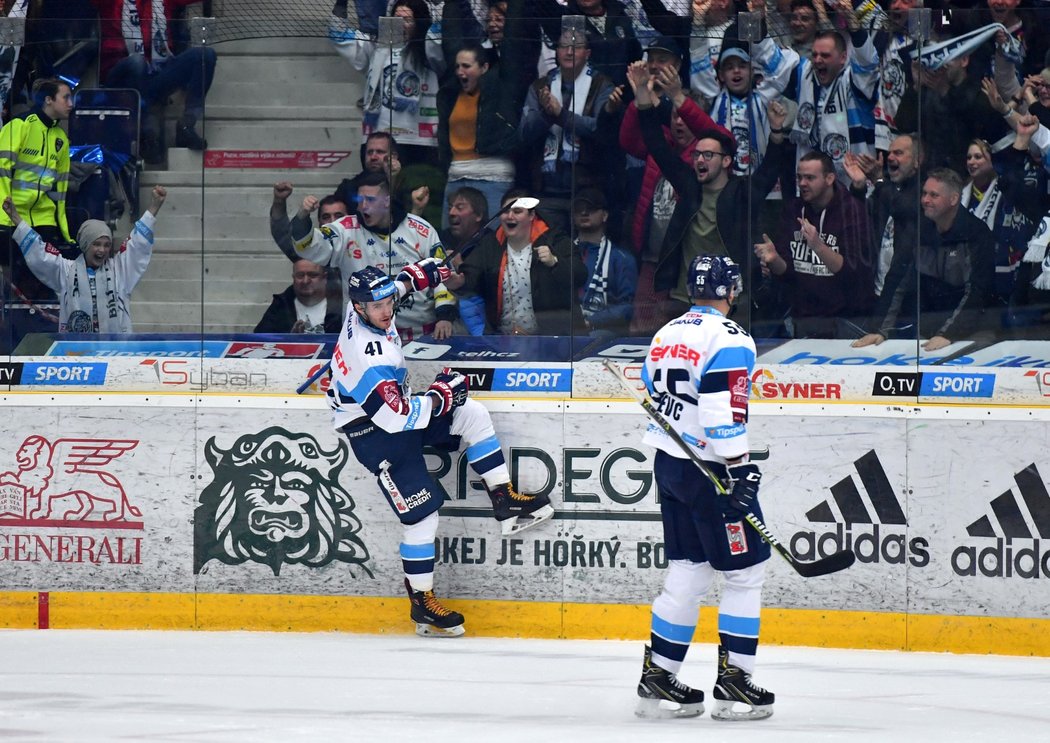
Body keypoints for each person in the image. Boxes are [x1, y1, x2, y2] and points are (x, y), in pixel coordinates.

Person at [329, 264, 553, 636]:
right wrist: (439, 396)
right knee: (422, 517)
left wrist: (421, 275)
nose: (387, 311)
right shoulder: (367, 357)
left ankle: (504, 499)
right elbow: (396, 418)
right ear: (358, 307)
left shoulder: (369, 308)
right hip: (374, 431)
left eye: (388, 302)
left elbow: (397, 288)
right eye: (378, 306)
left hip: (392, 412)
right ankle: (422, 603)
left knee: (471, 413)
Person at [634, 254, 773, 722]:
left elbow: (655, 391)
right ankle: (735, 684)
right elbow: (720, 411)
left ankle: (658, 676)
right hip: (711, 471)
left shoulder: (666, 332)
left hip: (670, 466)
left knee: (688, 569)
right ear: (731, 290)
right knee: (744, 573)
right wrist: (741, 469)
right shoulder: (731, 338)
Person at [292, 172, 455, 342]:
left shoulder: (421, 229)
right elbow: (308, 248)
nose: (362, 206)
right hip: (364, 335)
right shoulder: (344, 230)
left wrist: (445, 315)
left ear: (387, 201)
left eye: (369, 200)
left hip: (420, 335)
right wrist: (302, 217)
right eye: (359, 200)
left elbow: (442, 270)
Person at [853, 168, 997, 351]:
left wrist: (948, 334)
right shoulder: (919, 230)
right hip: (929, 327)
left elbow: (977, 290)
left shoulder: (977, 234)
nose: (925, 200)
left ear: (953, 199)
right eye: (924, 193)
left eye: (933, 195)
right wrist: (879, 329)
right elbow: (896, 279)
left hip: (974, 329)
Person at [2, 185, 167, 333]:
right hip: (76, 355)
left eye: (106, 245)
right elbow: (39, 251)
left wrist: (154, 207)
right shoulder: (66, 270)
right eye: (96, 244)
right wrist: (16, 217)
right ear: (85, 245)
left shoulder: (120, 269)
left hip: (116, 352)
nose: (102, 250)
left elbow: (137, 244)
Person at [754, 150, 874, 338]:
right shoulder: (793, 209)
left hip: (845, 322)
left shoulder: (852, 210)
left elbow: (853, 272)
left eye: (810, 178)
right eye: (799, 177)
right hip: (803, 319)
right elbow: (787, 272)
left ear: (829, 178)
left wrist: (818, 246)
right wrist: (774, 259)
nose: (802, 183)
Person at [92, 0, 218, 159]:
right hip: (121, 77)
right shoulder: (111, 3)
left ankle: (186, 126)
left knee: (205, 55)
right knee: (137, 62)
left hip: (156, 75)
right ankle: (147, 132)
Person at [518, 29, 616, 231]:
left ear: (587, 53)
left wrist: (561, 115)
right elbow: (524, 133)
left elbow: (600, 129)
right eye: (563, 46)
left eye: (576, 47)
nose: (568, 52)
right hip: (546, 191)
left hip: (587, 192)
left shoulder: (601, 85)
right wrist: (546, 115)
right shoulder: (540, 86)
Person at [455, 189, 586, 335]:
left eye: (517, 211)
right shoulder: (490, 243)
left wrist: (555, 262)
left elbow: (580, 276)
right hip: (503, 340)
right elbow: (471, 276)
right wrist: (459, 282)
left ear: (531, 215)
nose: (510, 216)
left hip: (552, 340)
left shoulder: (555, 240)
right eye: (505, 211)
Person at [0, 77, 75, 304]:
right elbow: (1, 170)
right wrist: (5, 213)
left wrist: (64, 230)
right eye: (66, 98)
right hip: (10, 216)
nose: (71, 104)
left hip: (43, 218)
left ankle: (38, 326)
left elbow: (59, 192)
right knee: (11, 279)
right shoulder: (20, 125)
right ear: (49, 100)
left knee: (42, 282)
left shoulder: (61, 138)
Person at [572, 187, 637, 337]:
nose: (584, 213)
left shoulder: (621, 258)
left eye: (591, 209)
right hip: (567, 329)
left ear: (605, 215)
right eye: (579, 209)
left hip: (602, 331)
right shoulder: (562, 253)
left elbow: (627, 307)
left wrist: (593, 321)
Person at [254, 259, 342, 334]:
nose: (305, 281)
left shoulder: (342, 306)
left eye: (312, 275)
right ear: (293, 277)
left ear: (325, 278)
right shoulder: (281, 305)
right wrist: (290, 340)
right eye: (300, 275)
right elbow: (259, 342)